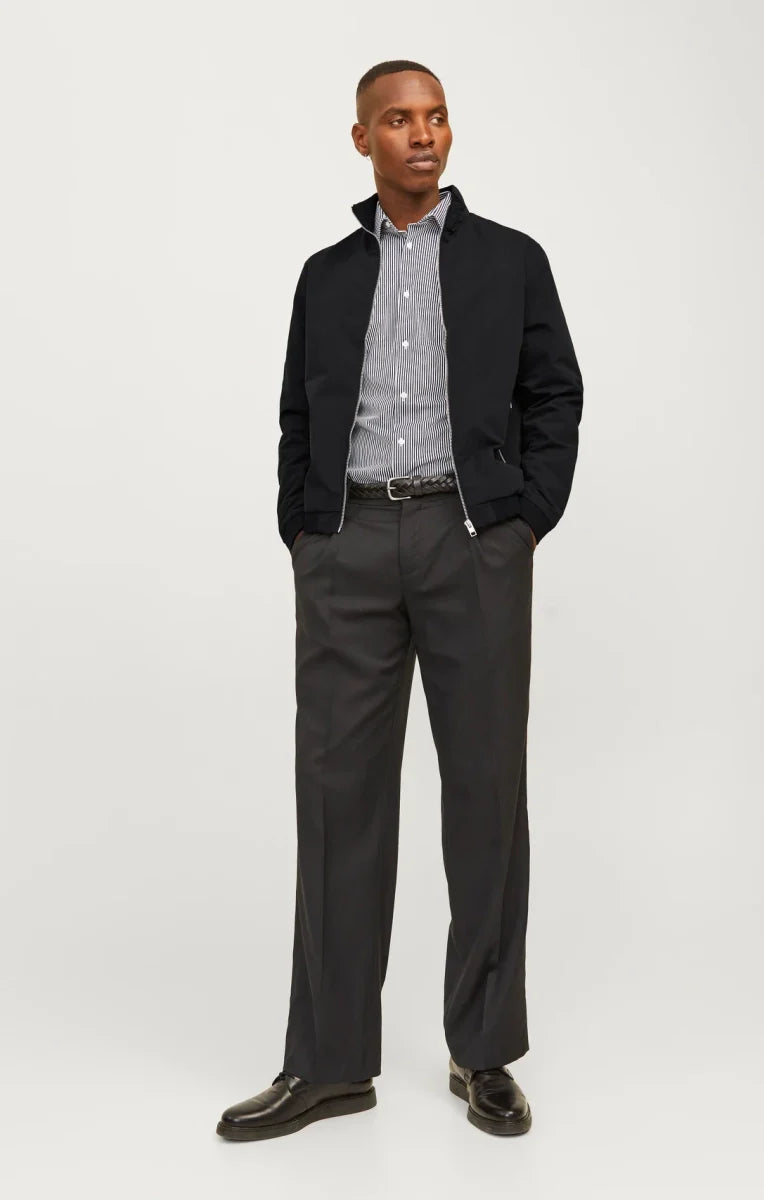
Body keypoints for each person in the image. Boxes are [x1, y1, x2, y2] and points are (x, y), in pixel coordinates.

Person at [216, 57, 583, 1142]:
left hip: (471, 544)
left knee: (485, 797)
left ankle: (483, 1052)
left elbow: (554, 394)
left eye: (435, 118)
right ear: (362, 139)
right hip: (349, 548)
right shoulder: (325, 275)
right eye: (397, 120)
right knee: (337, 801)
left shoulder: (511, 260)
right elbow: (297, 411)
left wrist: (521, 520)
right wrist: (306, 529)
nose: (421, 135)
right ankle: (330, 1064)